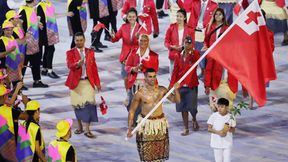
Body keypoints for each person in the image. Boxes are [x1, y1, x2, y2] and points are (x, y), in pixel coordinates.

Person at [127, 68, 181, 162]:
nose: (152, 78)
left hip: (159, 124)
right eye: (150, 76)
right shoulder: (140, 93)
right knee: (147, 154)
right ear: (145, 77)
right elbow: (132, 111)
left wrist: (176, 90)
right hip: (146, 125)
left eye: (154, 76)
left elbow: (176, 100)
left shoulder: (162, 90)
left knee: (159, 153)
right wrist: (129, 128)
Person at [65, 32, 101, 138]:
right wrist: (77, 64)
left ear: (84, 40)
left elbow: (94, 68)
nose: (79, 42)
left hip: (88, 82)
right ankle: (80, 127)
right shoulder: (70, 53)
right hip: (75, 83)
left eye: (81, 40)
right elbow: (69, 65)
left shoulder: (90, 52)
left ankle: (87, 129)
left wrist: (97, 83)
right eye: (77, 40)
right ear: (74, 41)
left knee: (89, 104)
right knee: (78, 106)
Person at [203, 8, 238, 111]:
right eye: (216, 14)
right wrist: (207, 49)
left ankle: (228, 123)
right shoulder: (210, 27)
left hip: (226, 77)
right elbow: (206, 40)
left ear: (223, 16)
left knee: (228, 106)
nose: (218, 16)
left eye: (220, 14)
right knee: (215, 105)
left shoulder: (228, 28)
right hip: (213, 57)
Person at [169, 35, 200, 136]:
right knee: (183, 108)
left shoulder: (195, 54)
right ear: (183, 43)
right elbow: (175, 71)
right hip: (180, 86)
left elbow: (196, 59)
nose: (187, 45)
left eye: (189, 43)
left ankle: (194, 119)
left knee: (192, 107)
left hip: (191, 85)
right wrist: (171, 85)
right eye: (186, 43)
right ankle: (186, 128)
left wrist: (191, 53)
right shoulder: (178, 55)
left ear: (192, 44)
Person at [125, 34, 159, 123]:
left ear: (148, 42)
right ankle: (136, 120)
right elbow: (127, 66)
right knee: (130, 104)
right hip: (134, 83)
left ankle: (141, 123)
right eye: (141, 40)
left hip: (147, 85)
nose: (143, 42)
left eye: (145, 41)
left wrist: (143, 68)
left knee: (145, 105)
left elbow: (155, 70)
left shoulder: (154, 56)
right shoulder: (133, 52)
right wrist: (133, 69)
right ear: (138, 41)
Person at [111, 8, 140, 105]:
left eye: (133, 17)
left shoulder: (140, 28)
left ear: (136, 17)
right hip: (125, 57)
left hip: (136, 57)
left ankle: (137, 95)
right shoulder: (123, 27)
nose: (131, 18)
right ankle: (128, 94)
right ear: (127, 17)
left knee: (135, 78)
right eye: (130, 17)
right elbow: (115, 39)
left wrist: (139, 38)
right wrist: (112, 36)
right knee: (126, 78)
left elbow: (145, 42)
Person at [19, 0, 49, 88]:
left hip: (35, 40)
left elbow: (31, 21)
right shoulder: (24, 10)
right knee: (24, 62)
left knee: (36, 61)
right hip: (27, 42)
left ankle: (37, 81)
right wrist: (24, 34)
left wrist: (38, 24)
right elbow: (19, 22)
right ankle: (20, 83)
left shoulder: (32, 9)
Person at [0, 82, 27, 162]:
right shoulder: (10, 111)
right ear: (4, 96)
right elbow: (27, 117)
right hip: (9, 149)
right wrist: (26, 104)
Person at [164, 9, 194, 77]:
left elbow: (192, 44)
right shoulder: (171, 28)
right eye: (177, 16)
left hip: (185, 57)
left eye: (180, 16)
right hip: (173, 55)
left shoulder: (190, 30)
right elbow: (166, 42)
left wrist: (183, 47)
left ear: (184, 18)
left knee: (183, 77)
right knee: (173, 77)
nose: (178, 18)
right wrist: (172, 47)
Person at [207, 98, 236, 162]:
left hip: (227, 143)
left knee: (227, 160)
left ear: (227, 107)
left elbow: (233, 130)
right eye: (218, 106)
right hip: (216, 143)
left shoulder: (231, 117)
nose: (219, 109)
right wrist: (219, 132)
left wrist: (228, 129)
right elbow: (209, 129)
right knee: (218, 160)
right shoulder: (213, 116)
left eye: (222, 107)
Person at [37, 0, 60, 78]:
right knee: (51, 49)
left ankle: (44, 69)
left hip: (50, 30)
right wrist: (38, 23)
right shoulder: (40, 6)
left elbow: (53, 16)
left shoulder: (49, 4)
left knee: (48, 49)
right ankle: (49, 70)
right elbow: (38, 18)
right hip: (44, 31)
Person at [0, 21, 23, 88]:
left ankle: (16, 96)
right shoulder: (1, 41)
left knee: (17, 85)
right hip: (5, 67)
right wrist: (9, 51)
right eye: (7, 30)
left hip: (15, 66)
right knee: (7, 87)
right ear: (3, 30)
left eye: (11, 30)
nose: (9, 32)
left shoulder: (12, 38)